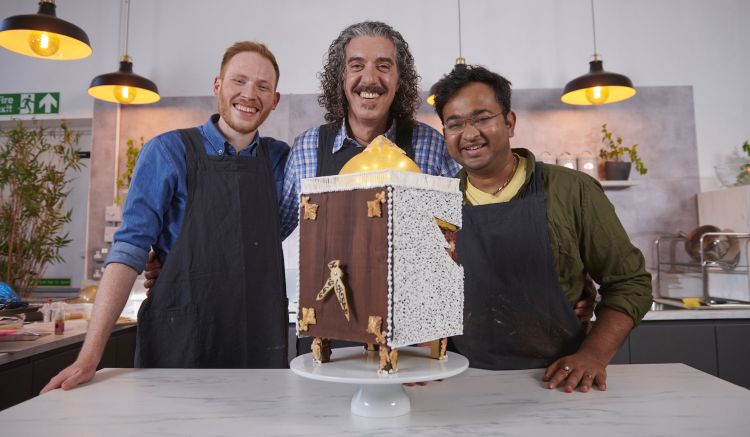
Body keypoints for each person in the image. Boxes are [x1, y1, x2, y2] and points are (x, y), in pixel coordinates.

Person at [42, 41, 290, 393]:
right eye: (239, 81)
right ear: (218, 85)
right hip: (182, 339)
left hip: (258, 341)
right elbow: (129, 249)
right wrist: (89, 356)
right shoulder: (167, 152)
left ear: (275, 100)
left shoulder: (281, 161)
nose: (250, 94)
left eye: (263, 86)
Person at [431, 65, 653, 393]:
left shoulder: (571, 190)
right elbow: (425, 297)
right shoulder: (436, 205)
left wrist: (593, 355)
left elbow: (629, 282)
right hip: (460, 379)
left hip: (558, 381)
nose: (470, 133)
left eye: (482, 118)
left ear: (509, 122)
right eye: (455, 123)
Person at [277, 21, 460, 239]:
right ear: (342, 77)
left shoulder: (430, 143)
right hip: (332, 274)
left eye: (383, 66)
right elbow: (275, 231)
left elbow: (456, 231)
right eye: (356, 66)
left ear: (399, 80)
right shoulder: (307, 147)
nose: (370, 79)